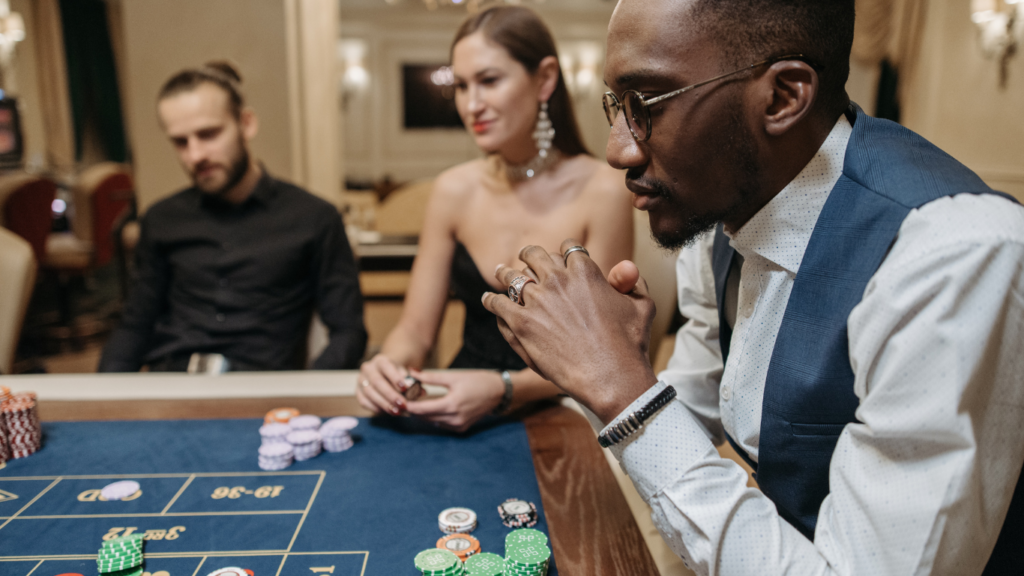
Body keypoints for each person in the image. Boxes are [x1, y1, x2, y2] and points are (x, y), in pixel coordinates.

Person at [482, 0, 1024, 574]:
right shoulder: (724, 207)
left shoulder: (952, 261)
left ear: (783, 97)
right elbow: (691, 399)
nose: (619, 149)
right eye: (616, 105)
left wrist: (626, 394)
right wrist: (597, 364)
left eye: (647, 105)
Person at [356, 6, 633, 431]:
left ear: (544, 79)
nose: (471, 104)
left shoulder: (603, 189)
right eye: (461, 86)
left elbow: (605, 351)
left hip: (562, 405)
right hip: (461, 399)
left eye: (489, 81)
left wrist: (504, 388)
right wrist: (387, 367)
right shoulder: (451, 190)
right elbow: (414, 330)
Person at [99, 62, 367, 372]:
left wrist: (305, 399)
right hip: (172, 383)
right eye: (180, 142)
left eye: (208, 134)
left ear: (246, 124)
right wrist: (98, 402)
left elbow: (349, 332)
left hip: (262, 391)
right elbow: (135, 325)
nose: (195, 155)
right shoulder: (161, 219)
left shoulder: (314, 218)